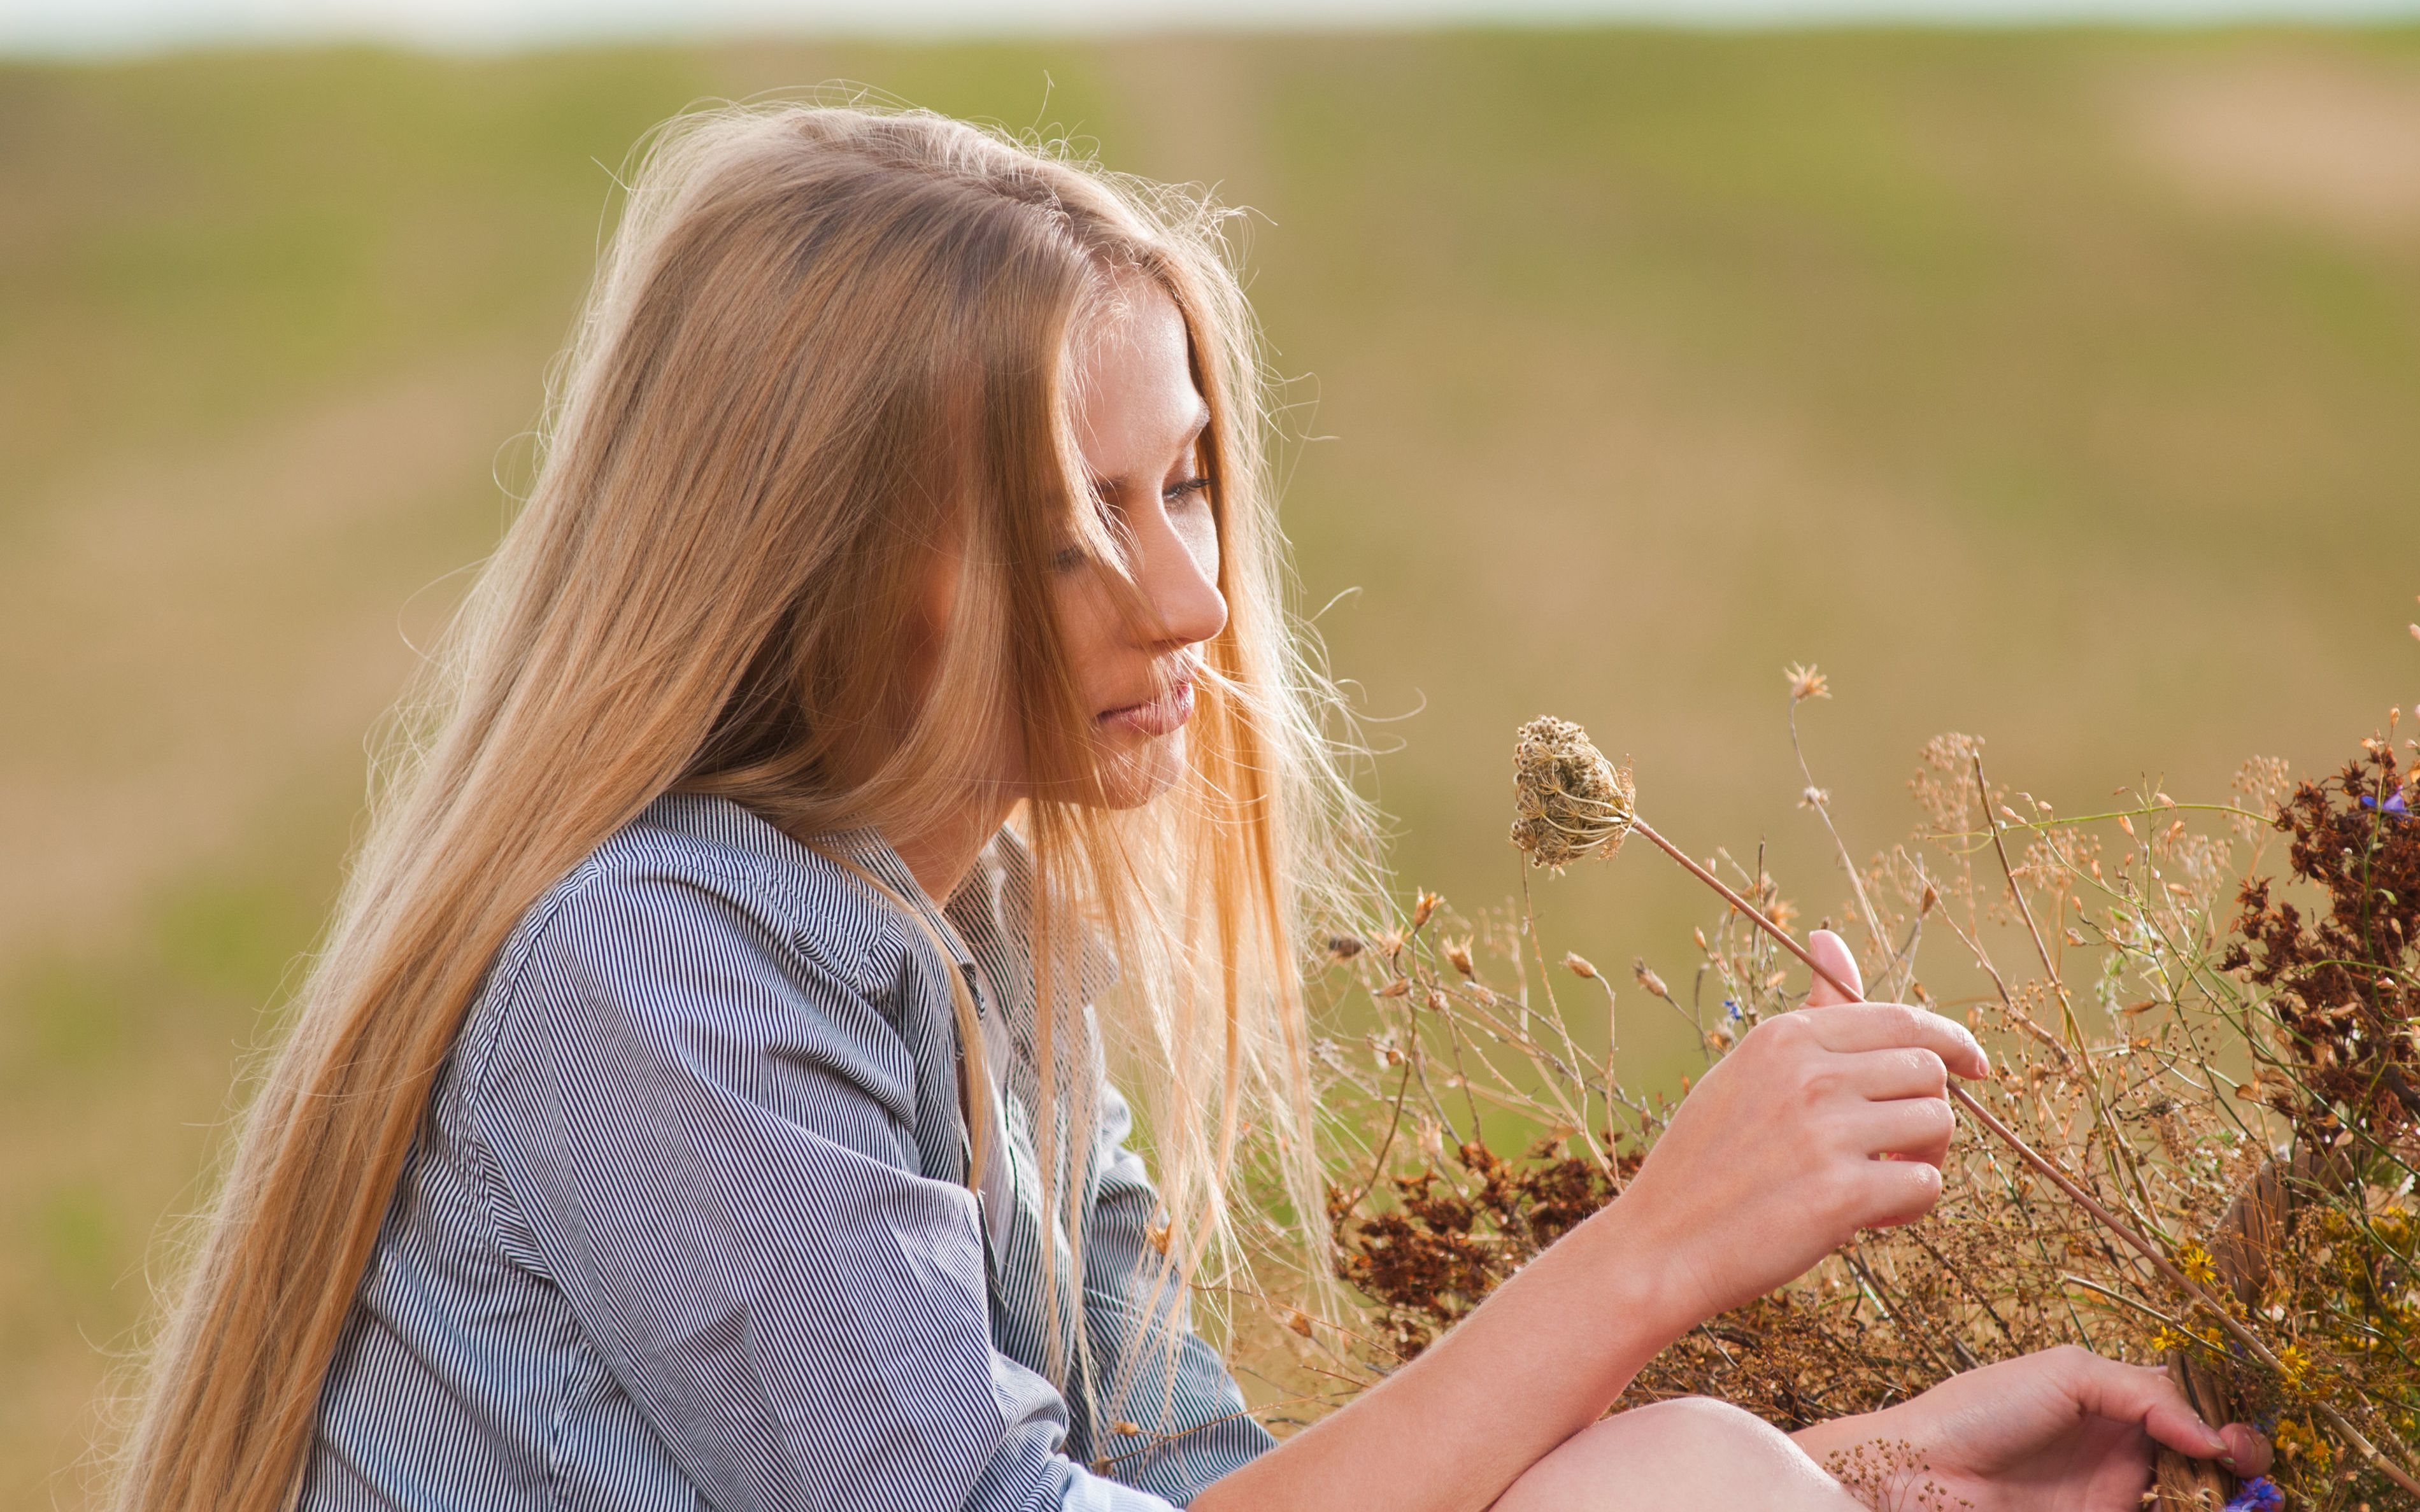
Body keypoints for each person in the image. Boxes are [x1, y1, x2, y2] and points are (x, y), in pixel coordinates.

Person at [113, 103, 2270, 1512]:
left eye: (1191, 485)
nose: (1198, 594)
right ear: (831, 547)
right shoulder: (652, 969)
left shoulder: (979, 939)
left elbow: (1201, 1484)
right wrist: (1663, 1249)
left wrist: (1878, 1465)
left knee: (1704, 1477)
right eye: (1077, 524)